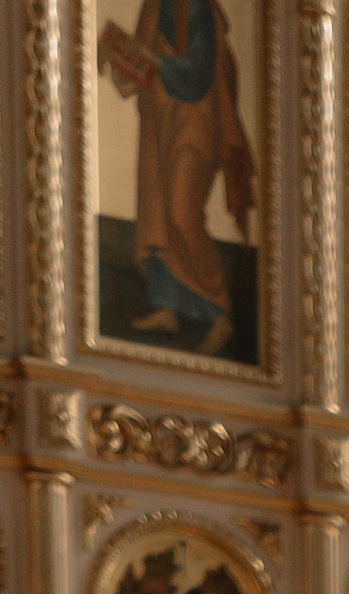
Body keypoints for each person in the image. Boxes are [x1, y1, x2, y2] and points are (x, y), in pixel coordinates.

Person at [97, 0, 257, 359]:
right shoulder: (155, 6)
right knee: (156, 212)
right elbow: (141, 70)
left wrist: (150, 59)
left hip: (195, 120)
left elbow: (196, 76)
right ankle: (165, 306)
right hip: (158, 119)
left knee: (182, 214)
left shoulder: (200, 10)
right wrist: (117, 55)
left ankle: (221, 311)